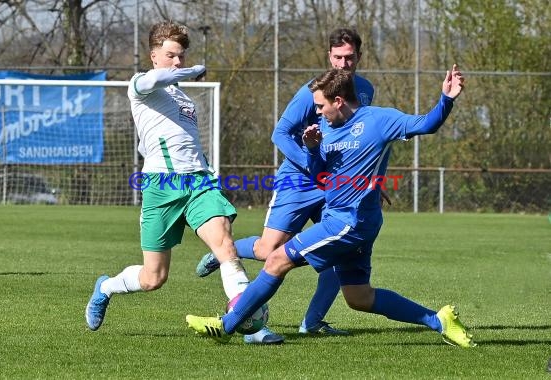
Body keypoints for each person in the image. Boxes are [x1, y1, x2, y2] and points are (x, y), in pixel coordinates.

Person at [186, 65, 477, 348]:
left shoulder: (379, 120)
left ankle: (226, 326)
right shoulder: (324, 128)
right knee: (358, 297)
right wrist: (312, 149)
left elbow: (427, 123)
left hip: (348, 221)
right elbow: (318, 173)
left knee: (276, 260)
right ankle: (440, 321)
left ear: (338, 101)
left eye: (320, 105)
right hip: (352, 221)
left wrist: (446, 99)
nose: (316, 111)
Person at [194, 28, 377, 344]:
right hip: (298, 181)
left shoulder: (365, 90)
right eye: (337, 57)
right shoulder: (311, 92)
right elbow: (280, 133)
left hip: (335, 186)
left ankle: (313, 323)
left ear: (359, 57)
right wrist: (312, 166)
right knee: (268, 251)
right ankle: (225, 251)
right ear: (328, 57)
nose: (344, 64)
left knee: (338, 254)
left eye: (349, 57)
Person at [85, 20, 251, 331]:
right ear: (154, 56)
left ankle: (248, 323)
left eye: (182, 57)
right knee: (154, 278)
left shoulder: (184, 98)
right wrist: (187, 72)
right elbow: (157, 80)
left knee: (225, 246)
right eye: (171, 55)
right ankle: (105, 288)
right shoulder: (141, 85)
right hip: (161, 187)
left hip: (199, 181)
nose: (177, 62)